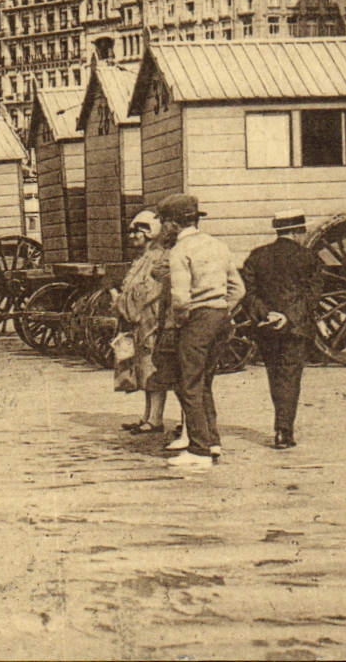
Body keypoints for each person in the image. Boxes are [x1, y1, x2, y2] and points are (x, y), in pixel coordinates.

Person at [158, 193, 245, 467]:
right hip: (220, 317)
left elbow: (181, 299)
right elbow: (239, 289)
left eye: (164, 223)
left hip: (197, 319)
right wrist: (221, 310)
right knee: (205, 382)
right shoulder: (218, 245)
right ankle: (212, 441)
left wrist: (182, 322)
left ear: (173, 225)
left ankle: (199, 451)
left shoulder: (179, 252)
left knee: (189, 384)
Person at [239, 210, 322, 450]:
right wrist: (287, 316)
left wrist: (267, 314)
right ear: (298, 232)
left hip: (267, 328)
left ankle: (281, 426)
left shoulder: (257, 256)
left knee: (275, 377)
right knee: (290, 378)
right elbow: (311, 297)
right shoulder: (309, 258)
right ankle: (283, 431)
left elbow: (249, 294)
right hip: (295, 329)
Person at [115, 210, 177, 436]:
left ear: (151, 233)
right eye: (131, 232)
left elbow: (150, 292)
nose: (132, 236)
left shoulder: (157, 258)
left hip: (151, 319)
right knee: (142, 367)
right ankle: (147, 416)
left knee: (153, 369)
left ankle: (156, 418)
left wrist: (123, 303)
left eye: (138, 231)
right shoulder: (142, 258)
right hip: (140, 321)